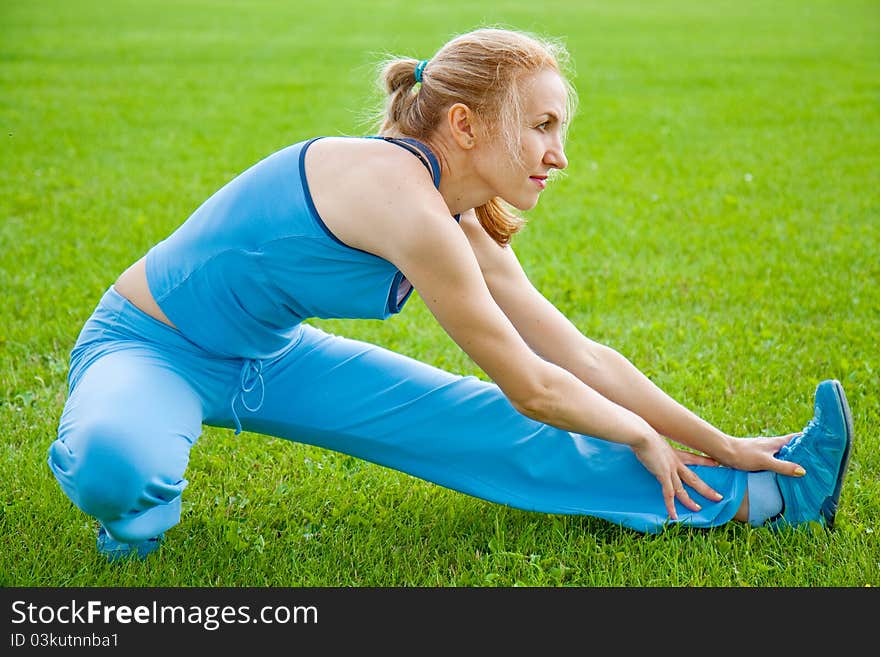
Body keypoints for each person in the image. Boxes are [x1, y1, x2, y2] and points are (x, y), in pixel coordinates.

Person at [48, 27, 854, 561]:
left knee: (486, 429)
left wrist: (720, 440)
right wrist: (638, 434)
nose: (559, 154)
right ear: (464, 125)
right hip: (148, 343)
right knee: (117, 464)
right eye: (541, 126)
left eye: (560, 130)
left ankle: (767, 491)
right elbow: (536, 384)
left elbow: (571, 354)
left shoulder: (455, 217)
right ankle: (138, 517)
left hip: (271, 356)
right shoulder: (401, 199)